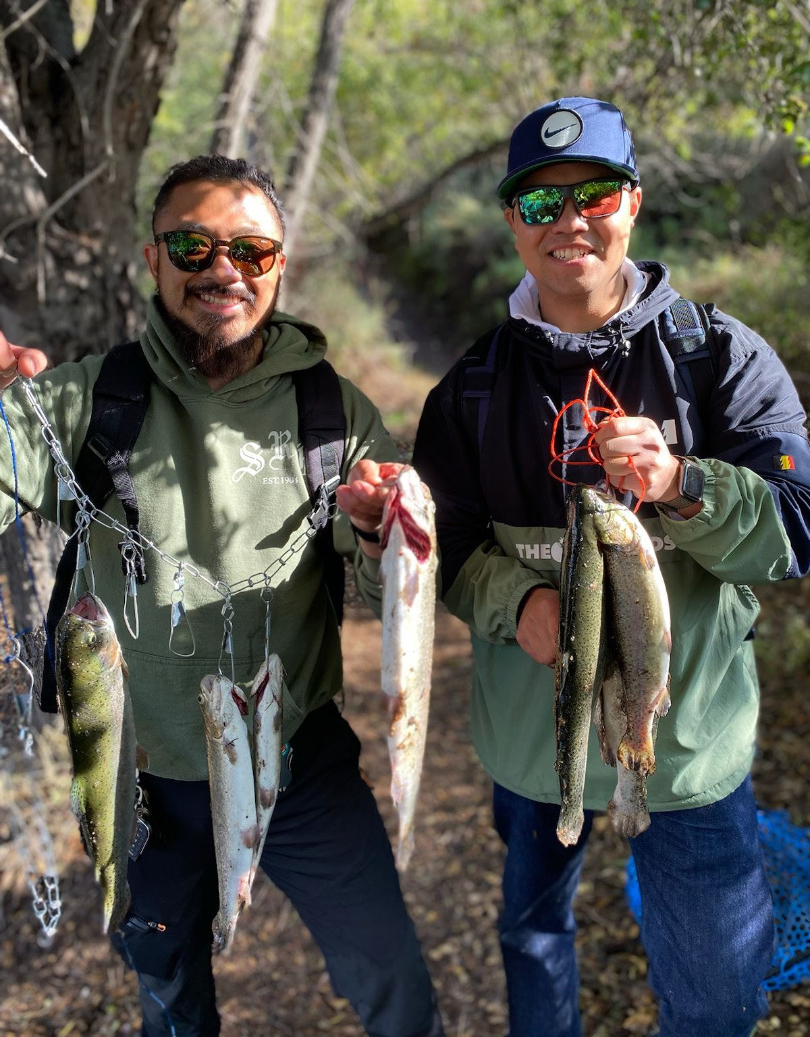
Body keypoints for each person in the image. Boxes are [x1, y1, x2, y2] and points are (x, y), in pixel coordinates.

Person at [0, 155, 444, 1037]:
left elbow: (387, 593)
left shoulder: (335, 412)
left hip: (302, 757)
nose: (223, 270)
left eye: (252, 249)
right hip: (140, 778)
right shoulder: (91, 399)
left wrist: (373, 528)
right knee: (167, 988)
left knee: (388, 969)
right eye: (194, 245)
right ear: (153, 258)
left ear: (281, 264)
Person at [412, 96, 810, 1037]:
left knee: (714, 999)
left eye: (592, 193)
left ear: (631, 202)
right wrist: (520, 603)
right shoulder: (471, 387)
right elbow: (450, 548)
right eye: (541, 203)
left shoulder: (719, 357)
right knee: (534, 933)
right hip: (531, 753)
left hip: (683, 754)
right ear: (513, 220)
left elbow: (796, 529)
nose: (569, 221)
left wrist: (683, 485)